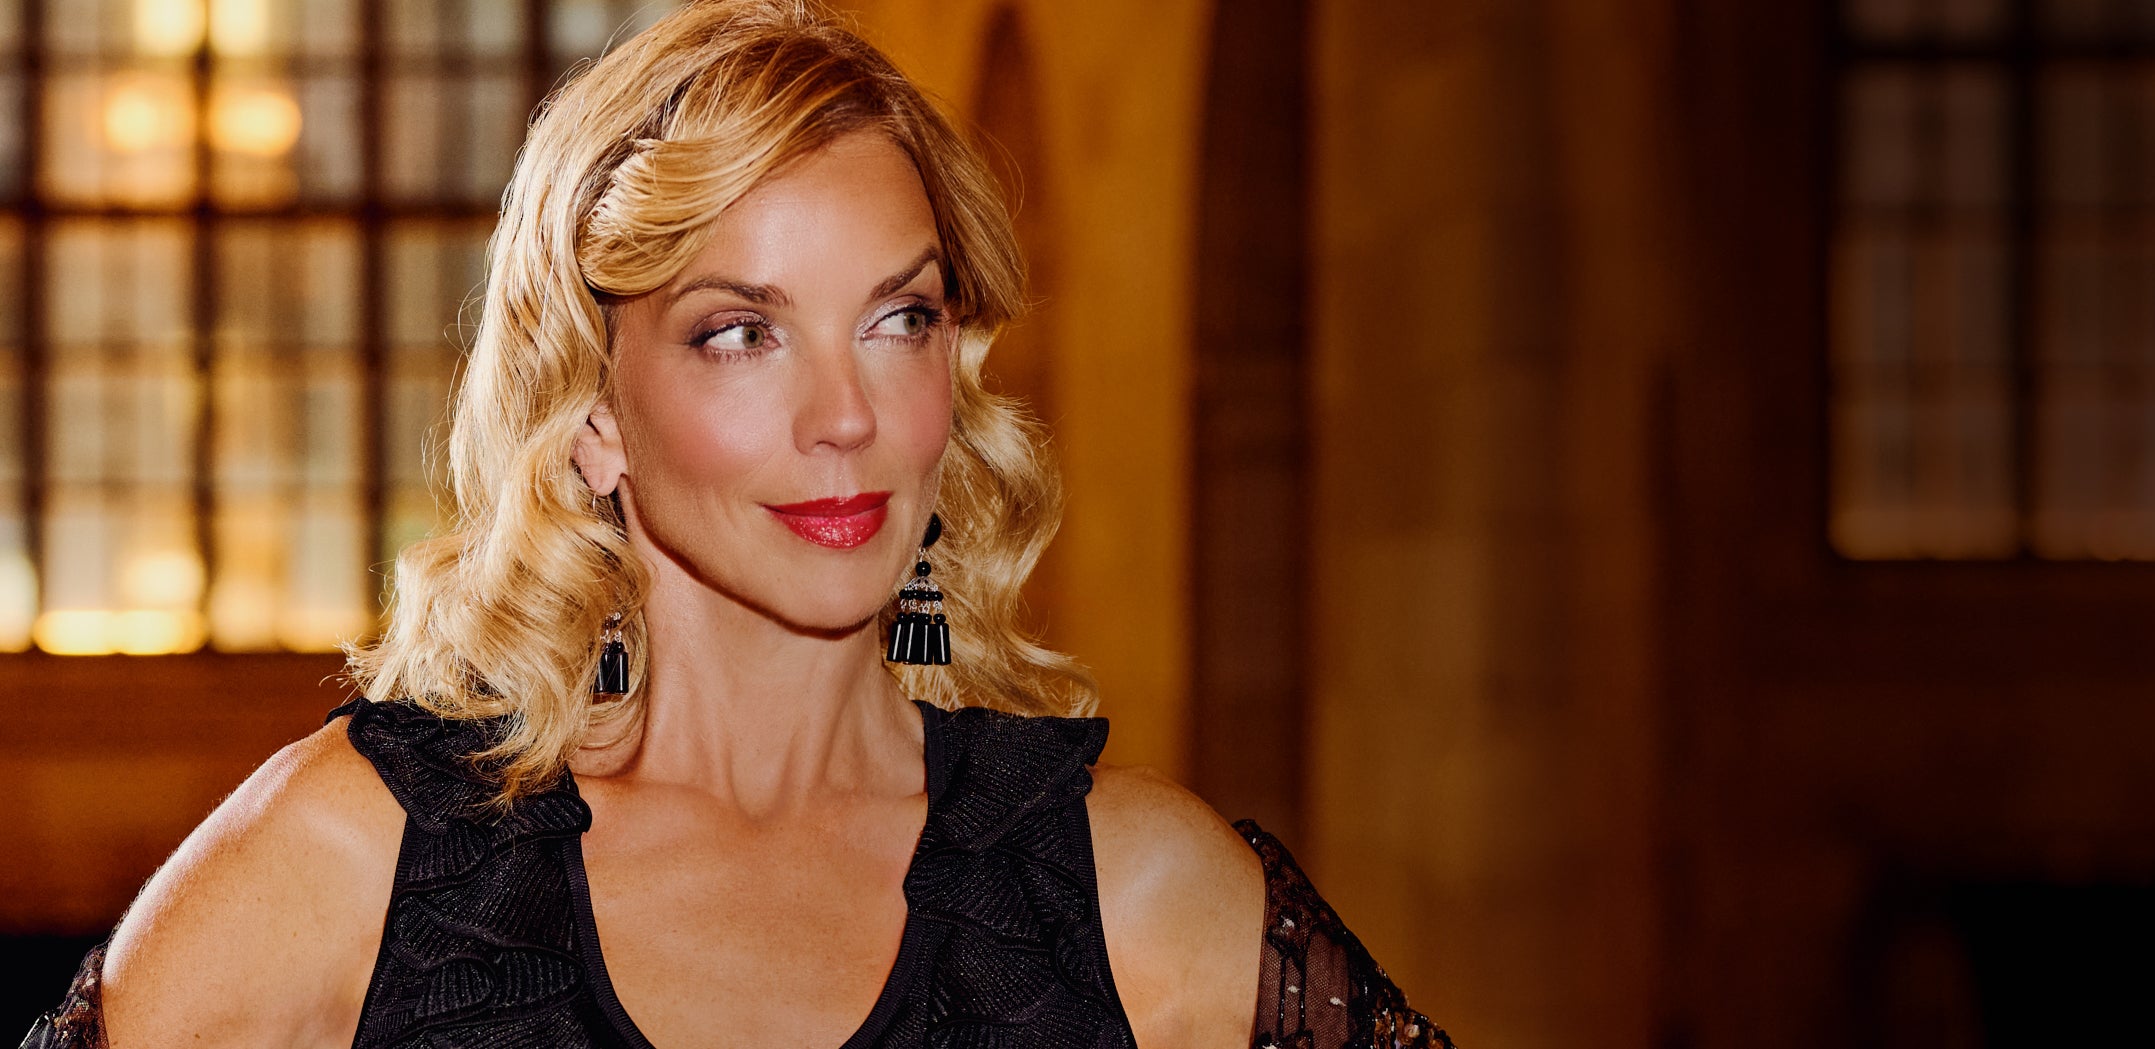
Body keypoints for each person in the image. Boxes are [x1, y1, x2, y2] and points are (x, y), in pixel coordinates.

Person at [22, 2, 1450, 1046]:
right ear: (594, 413)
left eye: (898, 319)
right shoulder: (364, 865)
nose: (846, 417)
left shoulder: (1134, 896)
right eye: (740, 333)